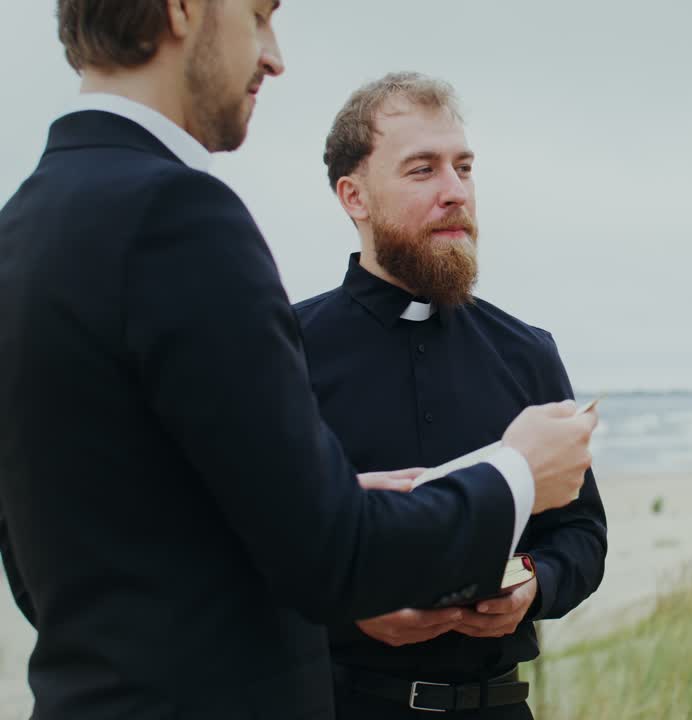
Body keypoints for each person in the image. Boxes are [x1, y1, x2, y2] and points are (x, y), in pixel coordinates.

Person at [0, 3, 595, 718]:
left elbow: (48, 575)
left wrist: (526, 575)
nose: (273, 55)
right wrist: (520, 470)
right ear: (186, 9)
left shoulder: (21, 227)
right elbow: (334, 557)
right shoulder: (180, 217)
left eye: (464, 167)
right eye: (258, 14)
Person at [293, 72, 608, 719]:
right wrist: (347, 612)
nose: (455, 192)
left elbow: (581, 534)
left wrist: (532, 586)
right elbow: (252, 547)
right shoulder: (285, 351)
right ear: (353, 196)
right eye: (423, 170)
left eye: (464, 168)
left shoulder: (527, 352)